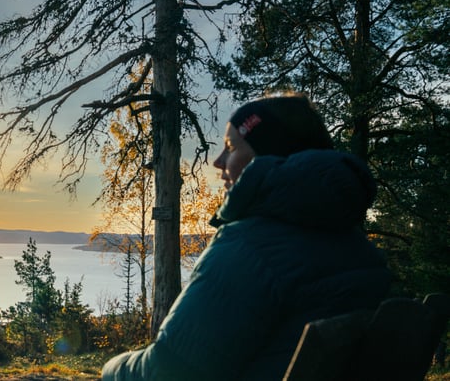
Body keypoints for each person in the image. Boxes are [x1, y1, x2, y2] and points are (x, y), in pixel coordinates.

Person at [101, 94, 391, 380]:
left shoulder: (252, 247)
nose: (218, 162)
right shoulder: (359, 251)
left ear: (268, 154)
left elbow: (167, 372)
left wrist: (111, 369)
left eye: (231, 147)